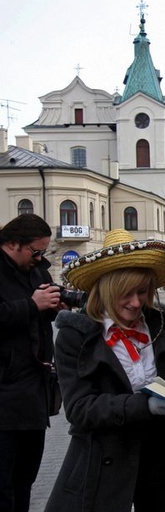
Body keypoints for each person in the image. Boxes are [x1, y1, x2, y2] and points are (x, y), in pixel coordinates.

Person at [45, 229, 165, 512]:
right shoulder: (75, 336)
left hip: (161, 455)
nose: (136, 303)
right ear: (106, 289)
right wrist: (145, 404)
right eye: (126, 293)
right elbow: (80, 409)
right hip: (105, 461)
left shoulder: (157, 321)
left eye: (143, 292)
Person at [0, 214, 62, 511]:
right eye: (35, 251)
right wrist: (30, 305)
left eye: (43, 252)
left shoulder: (36, 271)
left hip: (33, 391)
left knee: (25, 479)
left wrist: (54, 305)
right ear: (12, 243)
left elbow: (42, 313)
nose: (40, 258)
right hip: (4, 393)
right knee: (3, 484)